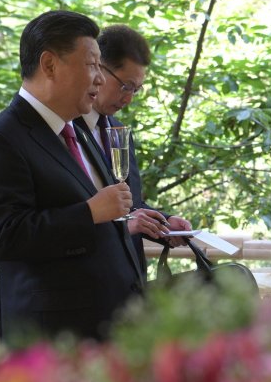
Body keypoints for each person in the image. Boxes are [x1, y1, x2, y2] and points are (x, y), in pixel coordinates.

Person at [0, 10, 144, 343]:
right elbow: (4, 237)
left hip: (112, 332)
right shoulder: (0, 141)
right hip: (53, 343)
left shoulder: (79, 130)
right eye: (92, 65)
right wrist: (89, 213)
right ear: (49, 65)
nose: (101, 79)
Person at [73, 25, 192, 274]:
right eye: (125, 86)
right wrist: (125, 225)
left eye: (135, 90)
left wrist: (164, 222)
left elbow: (130, 205)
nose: (128, 99)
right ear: (99, 69)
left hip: (129, 281)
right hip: (89, 276)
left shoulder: (118, 129)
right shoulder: (67, 130)